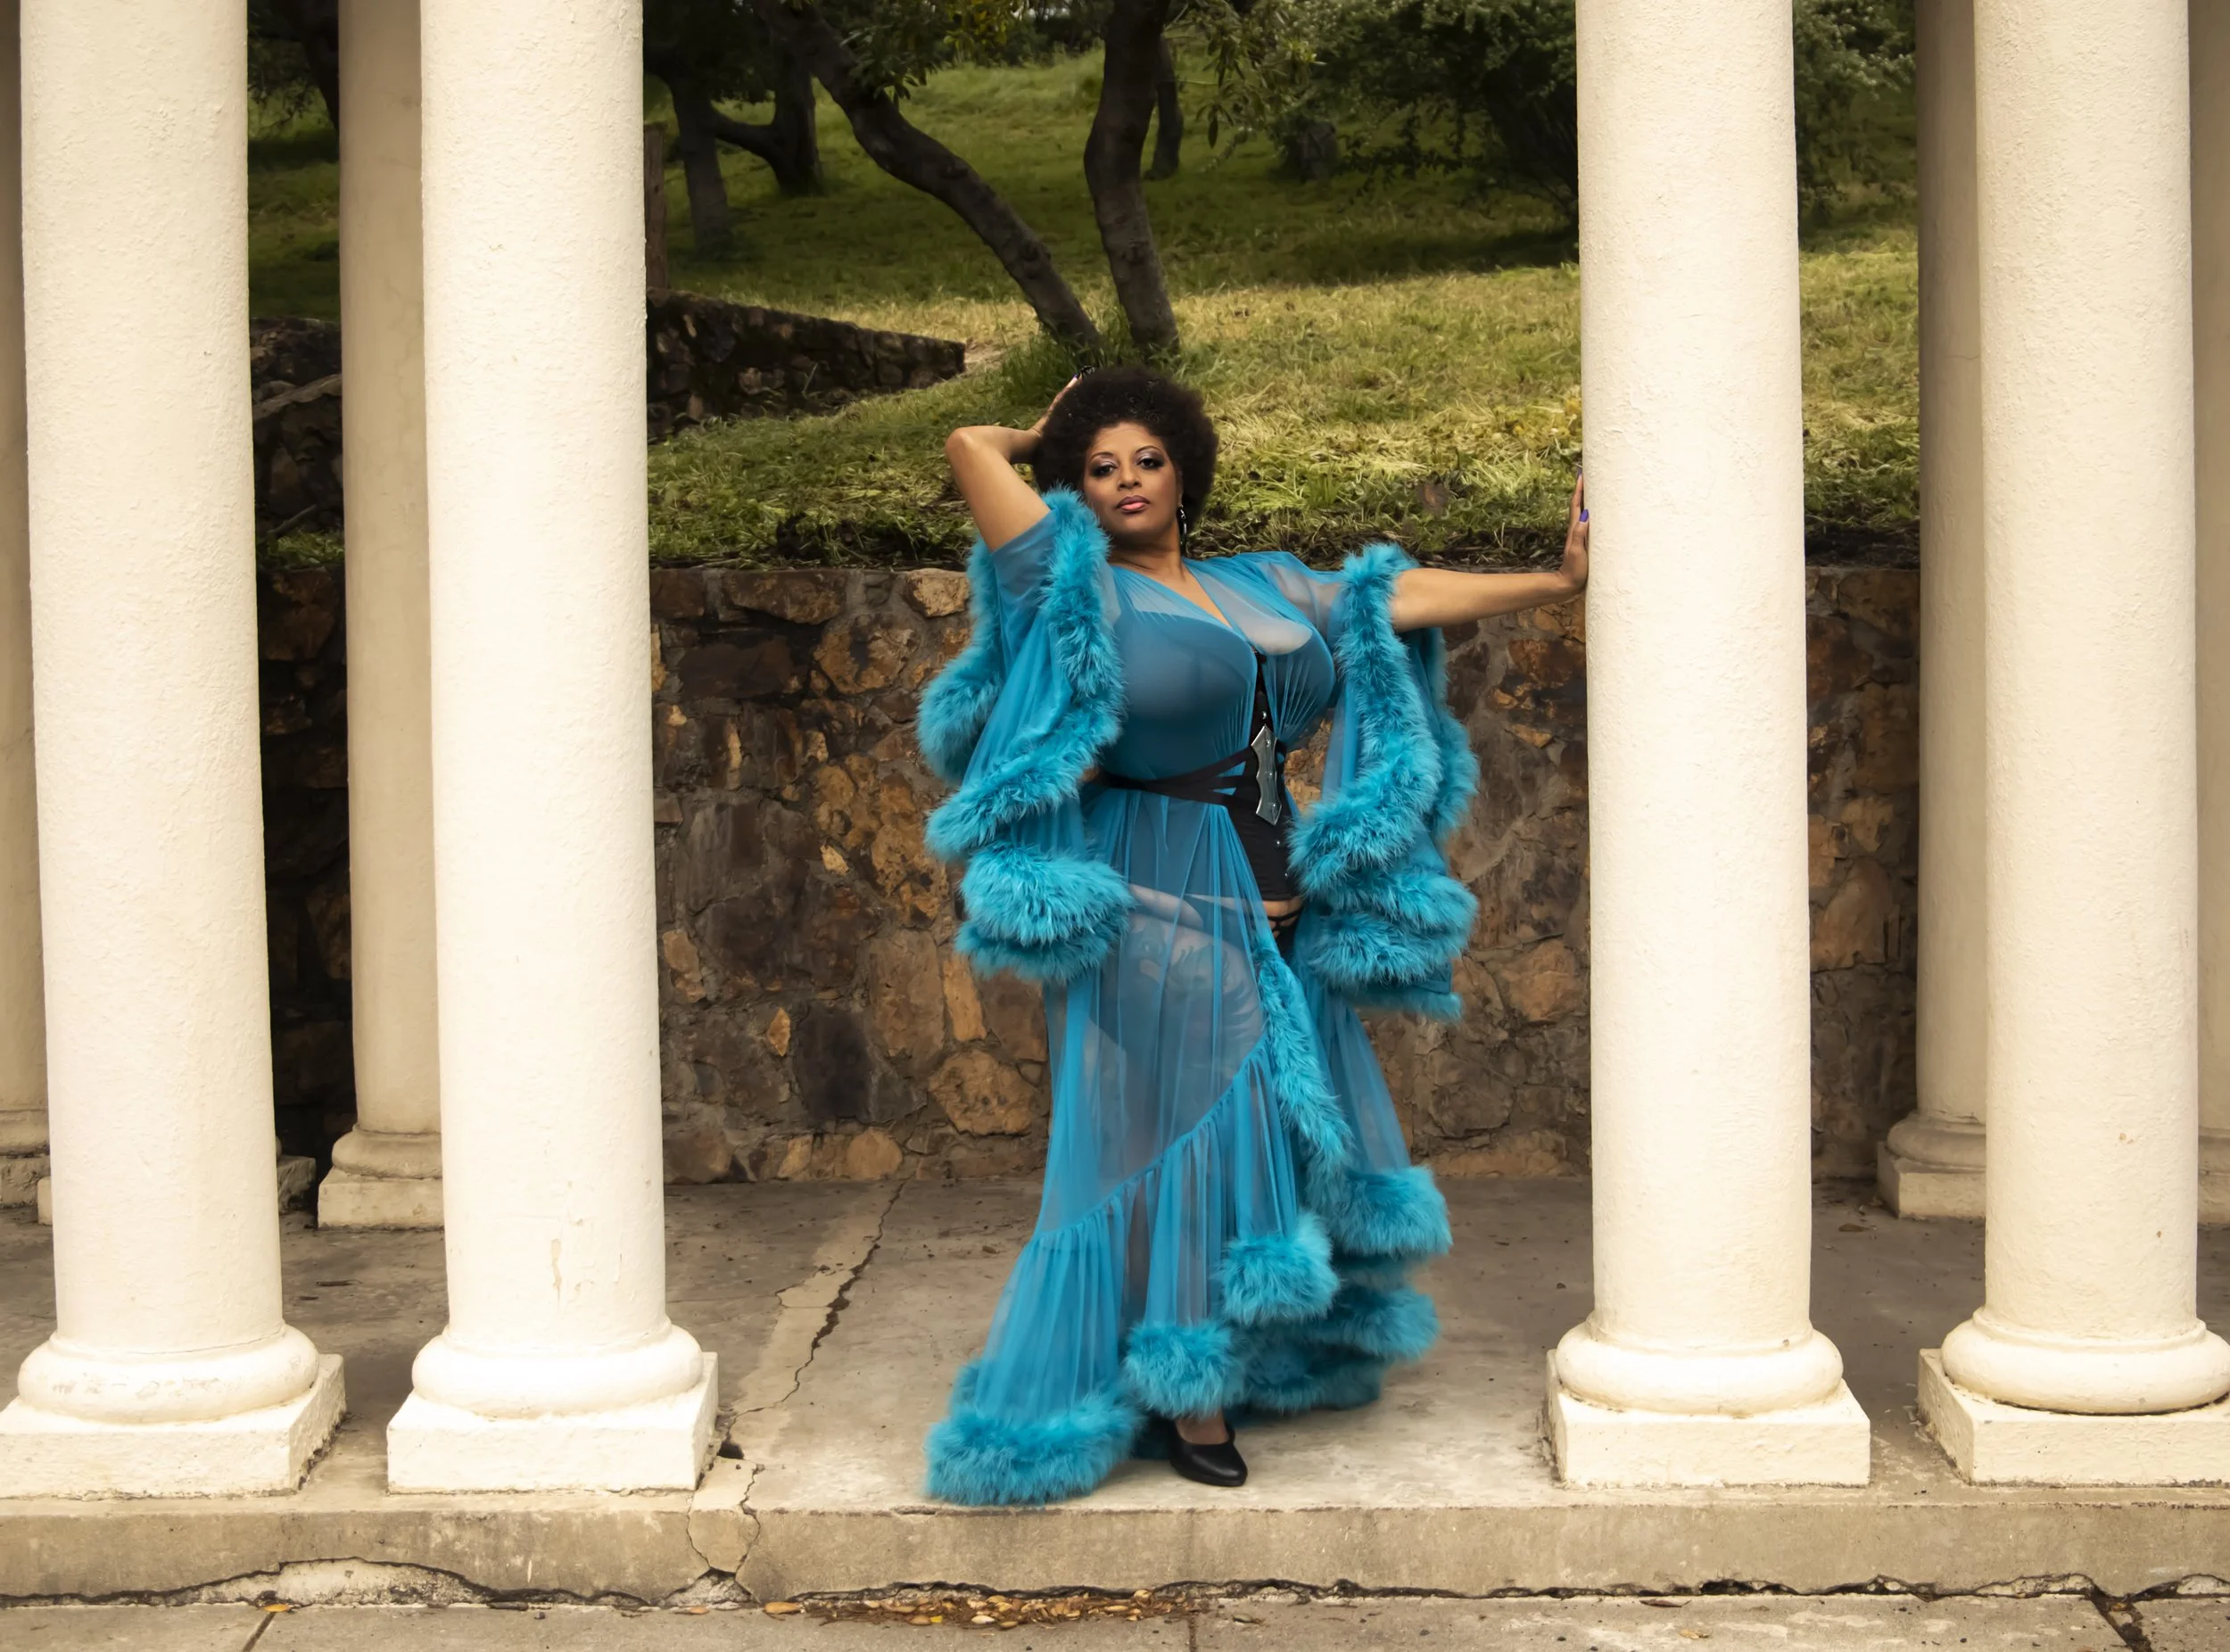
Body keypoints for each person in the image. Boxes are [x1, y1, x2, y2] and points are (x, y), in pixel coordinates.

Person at [916, 367, 1588, 1504]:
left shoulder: (1261, 582)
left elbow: (1392, 598)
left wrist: (1558, 581)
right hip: (1153, 900)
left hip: (1277, 899)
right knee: (1190, 1136)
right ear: (1073, 491)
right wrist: (1036, 433)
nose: (1126, 479)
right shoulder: (1070, 590)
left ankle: (1222, 1350)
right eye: (1098, 466)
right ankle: (1190, 1392)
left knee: (1261, 1130)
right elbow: (966, 448)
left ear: (1184, 471)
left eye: (1145, 458)